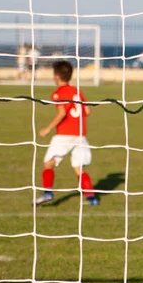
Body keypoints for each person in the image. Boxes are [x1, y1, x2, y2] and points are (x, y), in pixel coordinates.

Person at [36, 60, 98, 206]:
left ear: (56, 76)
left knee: (48, 163)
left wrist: (48, 128)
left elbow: (62, 113)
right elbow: (87, 111)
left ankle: (47, 193)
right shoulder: (77, 91)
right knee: (79, 168)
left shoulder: (58, 94)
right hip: (80, 135)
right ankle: (92, 198)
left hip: (65, 135)